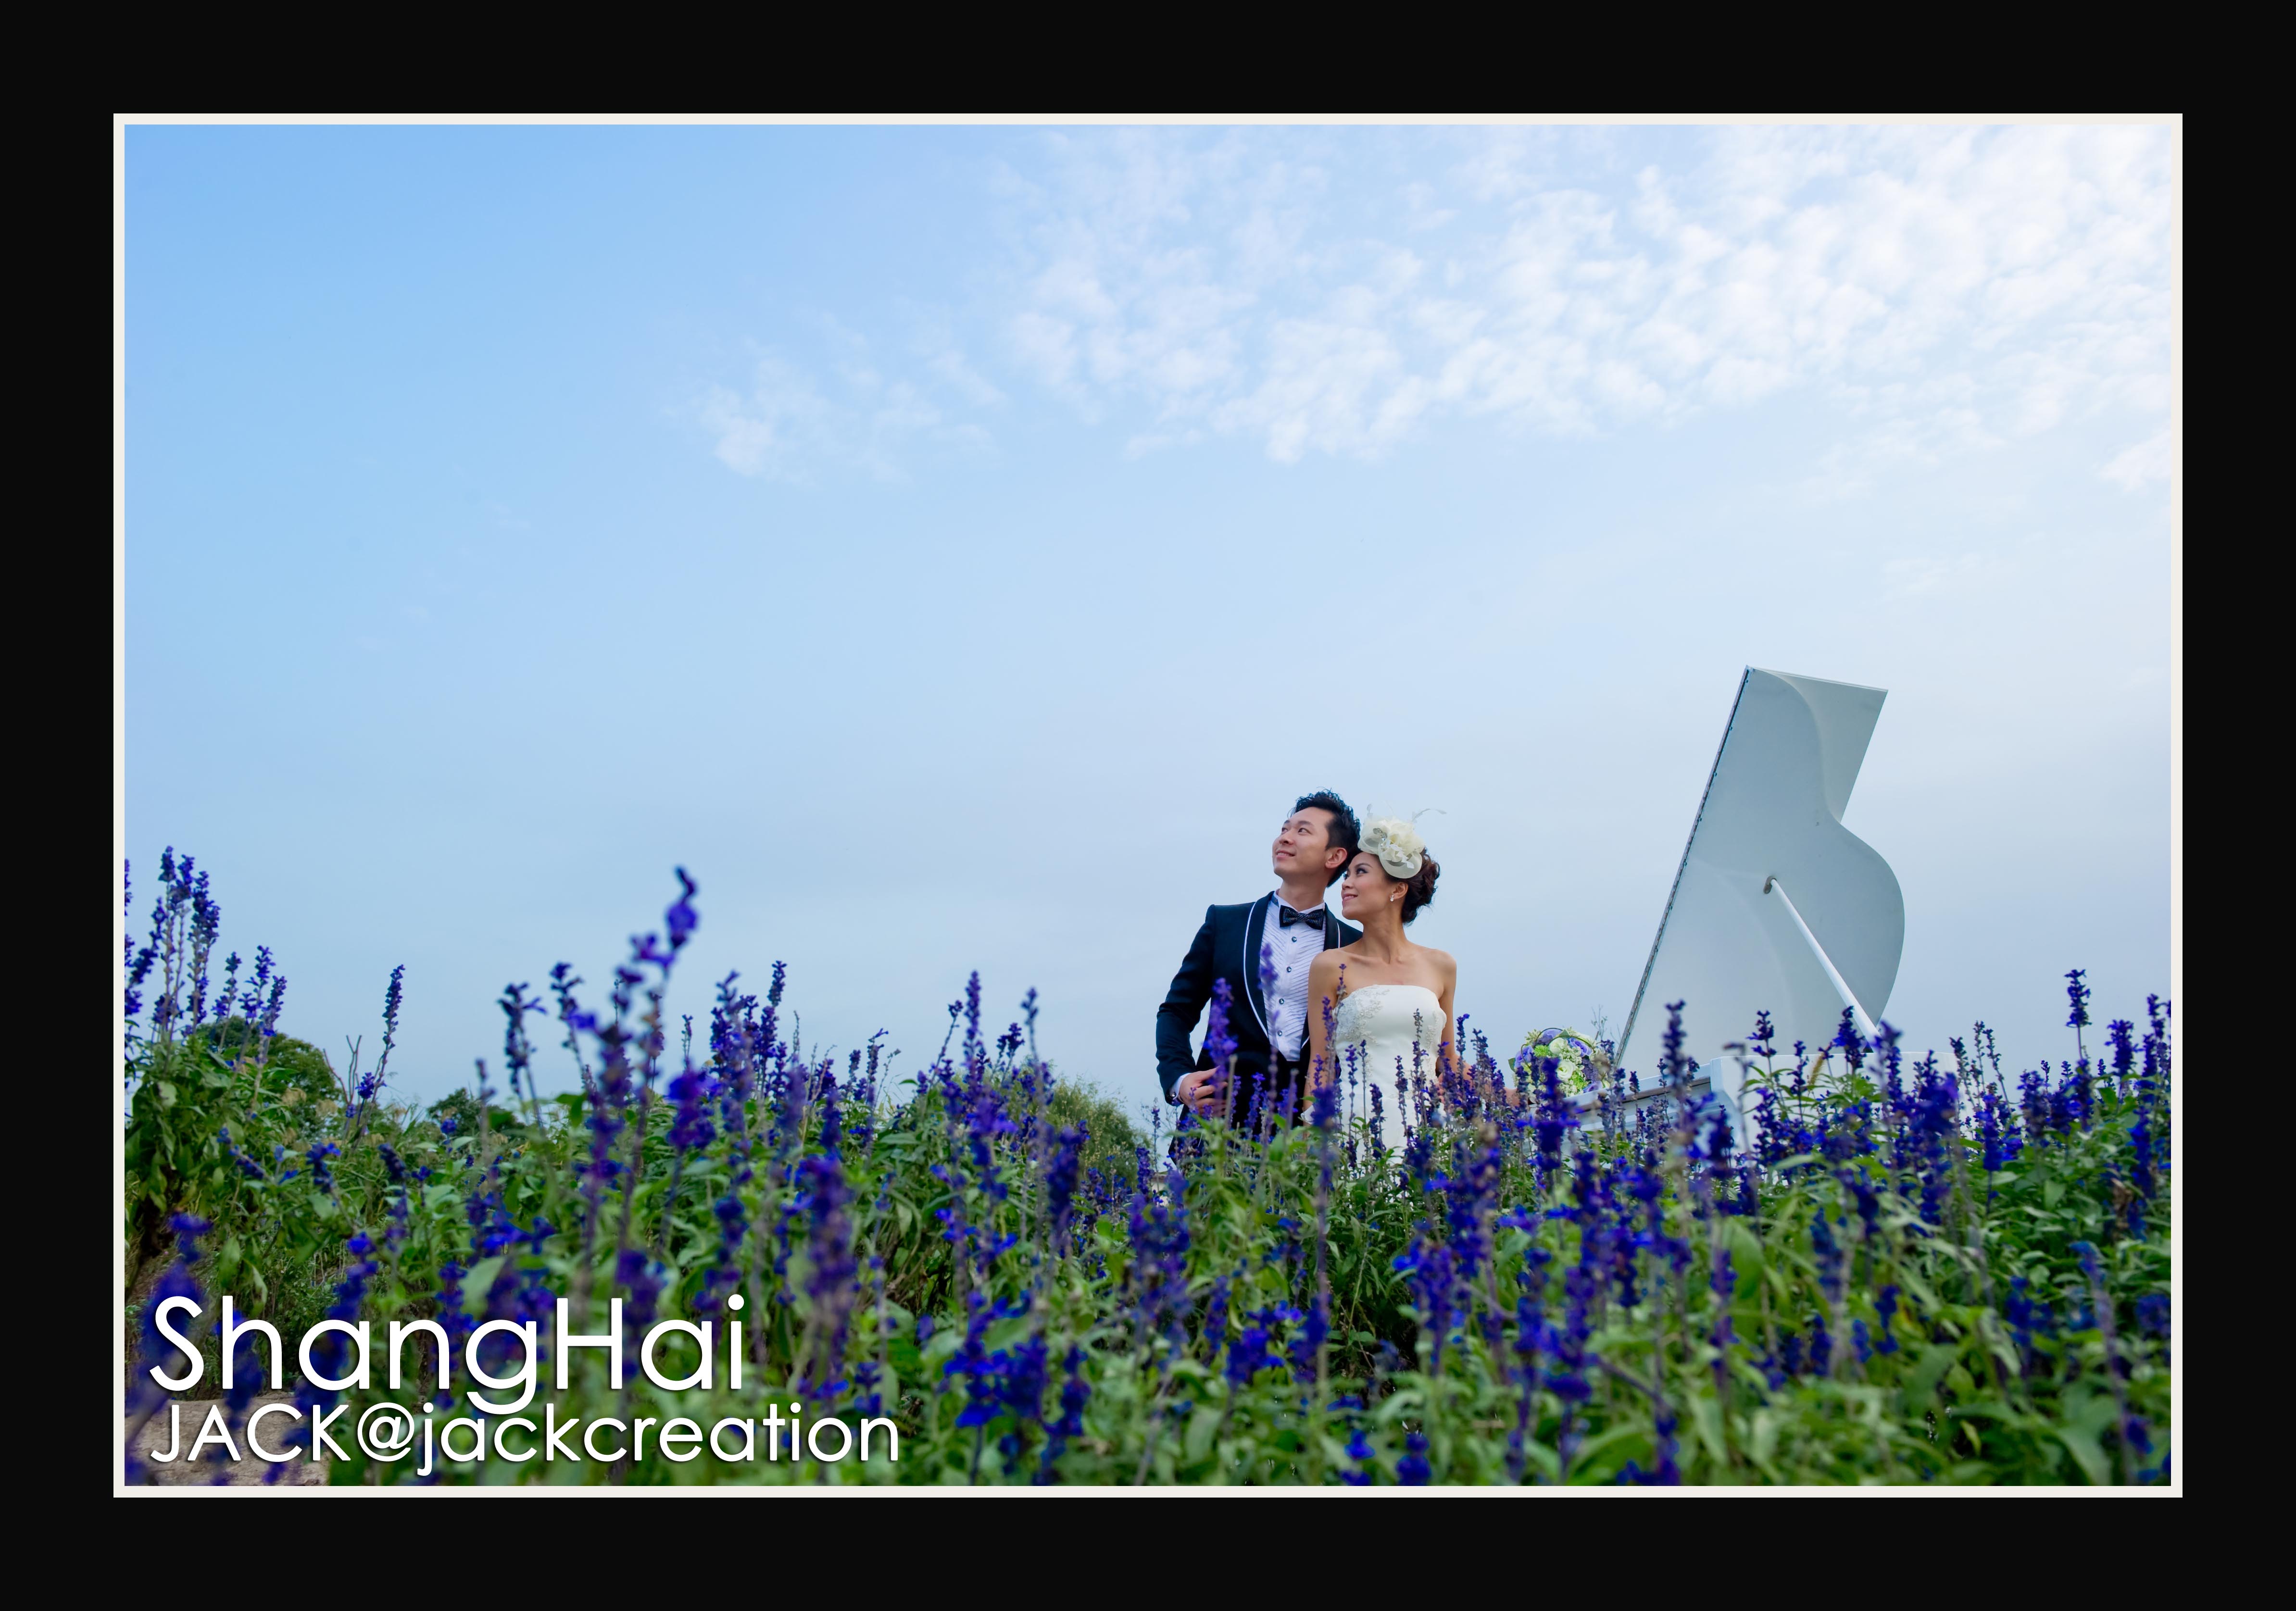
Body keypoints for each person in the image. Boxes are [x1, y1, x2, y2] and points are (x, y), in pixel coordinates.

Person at [1156, 791, 1365, 1124]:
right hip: (1217, 1125)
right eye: (1284, 829)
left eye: (1302, 831)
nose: (1285, 837)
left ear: (1335, 856)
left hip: (1308, 1130)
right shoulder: (1224, 923)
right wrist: (1179, 1079)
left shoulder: (1354, 944)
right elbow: (1176, 1011)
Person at [1305, 816, 1458, 1151]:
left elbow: (1448, 1063)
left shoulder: (1441, 966)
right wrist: (1308, 1149)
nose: (1345, 884)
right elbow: (1320, 1066)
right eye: (1346, 875)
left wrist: (1519, 1091)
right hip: (1353, 1132)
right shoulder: (1329, 967)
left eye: (1360, 872)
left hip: (1427, 1131)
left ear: (1398, 889)